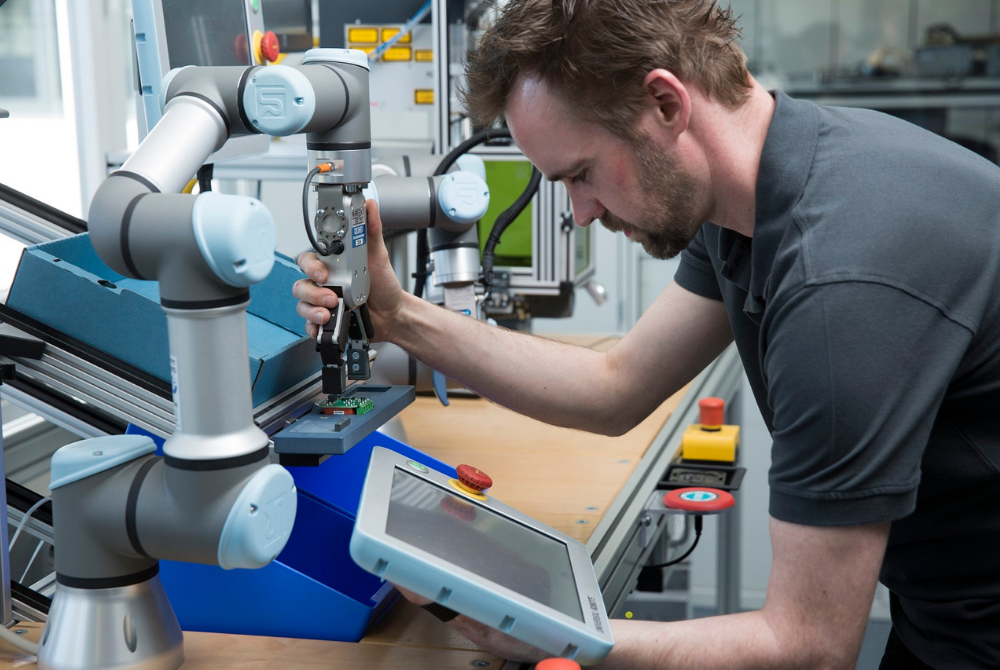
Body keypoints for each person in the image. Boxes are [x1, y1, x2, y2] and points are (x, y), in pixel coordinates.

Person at [294, 1, 1000, 667]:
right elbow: (617, 385)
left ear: (666, 104)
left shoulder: (836, 287)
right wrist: (397, 315)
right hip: (942, 602)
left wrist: (561, 636)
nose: (583, 212)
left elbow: (809, 645)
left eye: (582, 175)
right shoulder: (757, 193)